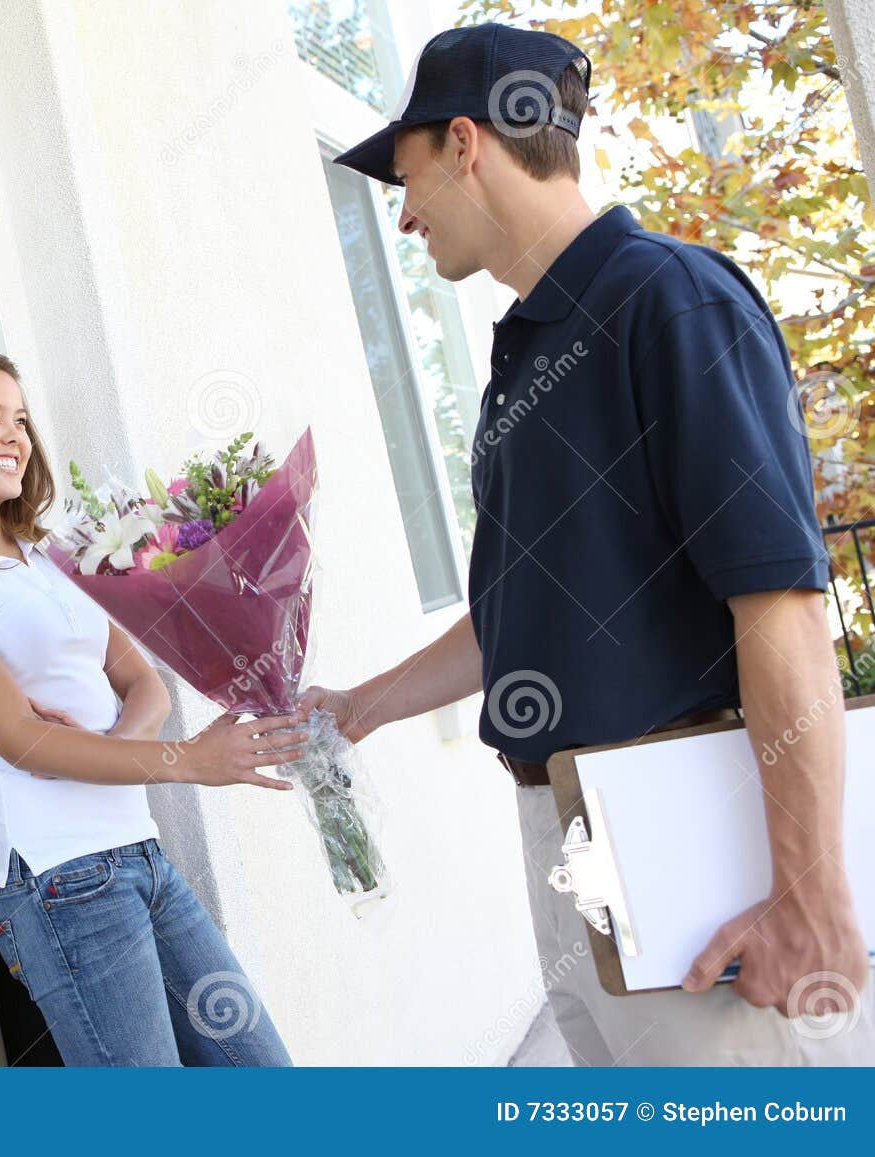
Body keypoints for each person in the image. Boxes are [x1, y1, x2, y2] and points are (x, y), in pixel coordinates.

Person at [307, 23, 871, 1064]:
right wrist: (360, 707)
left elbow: (780, 604)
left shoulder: (673, 300)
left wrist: (810, 891)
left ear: (466, 142)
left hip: (688, 849)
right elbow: (525, 603)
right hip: (563, 837)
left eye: (407, 170)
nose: (401, 210)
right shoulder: (526, 348)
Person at [0, 350, 302, 1066]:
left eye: (20, 419)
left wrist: (119, 751)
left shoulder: (49, 557)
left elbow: (145, 685)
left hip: (139, 856)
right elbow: (20, 741)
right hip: (61, 882)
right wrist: (186, 762)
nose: (15, 434)